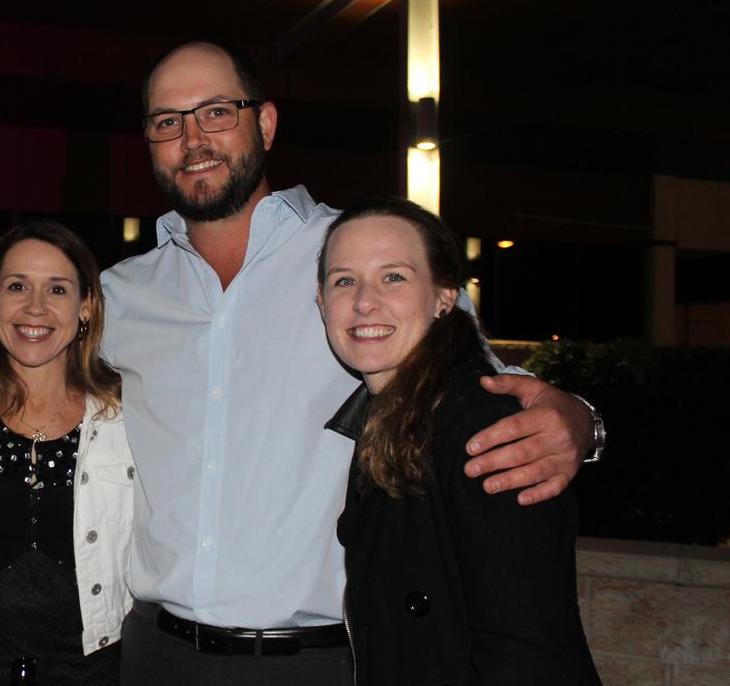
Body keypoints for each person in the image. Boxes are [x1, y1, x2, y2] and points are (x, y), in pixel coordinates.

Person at [99, 42, 604, 685]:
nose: (193, 137)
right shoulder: (119, 297)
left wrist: (581, 420)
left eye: (217, 111)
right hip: (154, 657)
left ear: (267, 123)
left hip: (322, 663)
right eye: (168, 121)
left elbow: (487, 386)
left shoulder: (361, 257)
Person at [318, 198, 600, 684]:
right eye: (345, 280)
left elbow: (528, 651)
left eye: (394, 277)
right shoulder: (388, 423)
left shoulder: (483, 430)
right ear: (321, 303)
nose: (365, 301)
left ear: (445, 297)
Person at [0, 221, 132, 685]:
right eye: (17, 286)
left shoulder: (129, 418)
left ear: (85, 307)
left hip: (93, 673)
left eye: (57, 289)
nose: (35, 307)